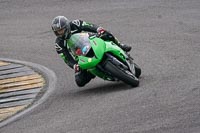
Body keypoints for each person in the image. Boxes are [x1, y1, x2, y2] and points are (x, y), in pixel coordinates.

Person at [51, 16, 132, 87]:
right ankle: (92, 72)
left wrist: (98, 29)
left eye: (61, 30)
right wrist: (75, 66)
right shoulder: (59, 44)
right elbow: (66, 58)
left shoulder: (75, 24)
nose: (60, 33)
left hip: (91, 41)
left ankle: (120, 45)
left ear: (67, 26)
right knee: (80, 82)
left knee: (105, 33)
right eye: (58, 31)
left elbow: (89, 26)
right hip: (81, 57)